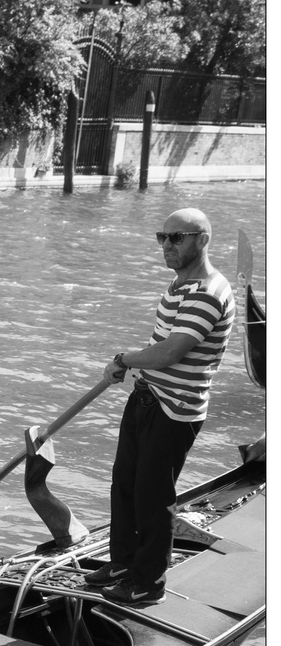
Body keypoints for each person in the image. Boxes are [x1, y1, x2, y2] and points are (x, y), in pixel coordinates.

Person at [87, 207, 235, 607]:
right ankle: (122, 564)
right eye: (162, 237)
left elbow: (171, 352)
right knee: (125, 486)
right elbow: (162, 346)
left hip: (176, 410)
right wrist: (135, 371)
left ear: (202, 239)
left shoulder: (207, 293)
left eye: (177, 237)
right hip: (148, 398)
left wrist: (124, 359)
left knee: (153, 496)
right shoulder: (179, 284)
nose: (167, 245)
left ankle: (148, 583)